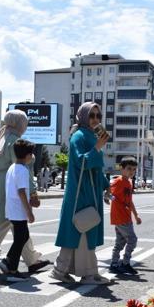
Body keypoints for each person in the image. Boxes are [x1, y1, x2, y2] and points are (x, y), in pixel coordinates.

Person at [0, 110, 49, 278]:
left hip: (1, 184)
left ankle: (32, 260)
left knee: (18, 225)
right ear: (19, 123)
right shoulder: (14, 140)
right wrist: (33, 192)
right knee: (1, 224)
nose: (25, 125)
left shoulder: (3, 136)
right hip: (11, 188)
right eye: (24, 122)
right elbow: (24, 167)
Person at [51, 102, 111, 285]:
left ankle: (62, 270)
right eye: (91, 115)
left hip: (89, 191)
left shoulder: (91, 136)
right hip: (81, 192)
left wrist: (106, 186)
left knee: (80, 229)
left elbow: (96, 169)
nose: (95, 119)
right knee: (83, 229)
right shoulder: (78, 136)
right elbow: (81, 162)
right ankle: (88, 274)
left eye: (98, 116)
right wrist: (97, 148)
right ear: (83, 116)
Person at [0, 139, 36, 281]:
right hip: (18, 210)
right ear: (27, 155)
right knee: (20, 239)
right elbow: (21, 192)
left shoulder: (13, 167)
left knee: (23, 237)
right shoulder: (22, 170)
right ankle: (12, 269)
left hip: (12, 209)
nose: (32, 157)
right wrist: (29, 212)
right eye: (31, 154)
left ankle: (7, 261)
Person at [109, 156, 141, 276]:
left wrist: (136, 215)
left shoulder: (129, 182)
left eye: (133, 169)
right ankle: (125, 263)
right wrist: (108, 198)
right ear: (122, 169)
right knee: (132, 239)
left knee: (120, 242)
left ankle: (114, 264)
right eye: (129, 169)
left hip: (125, 217)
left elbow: (130, 201)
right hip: (119, 216)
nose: (131, 172)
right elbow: (108, 193)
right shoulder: (119, 181)